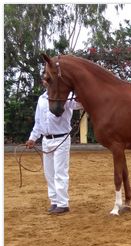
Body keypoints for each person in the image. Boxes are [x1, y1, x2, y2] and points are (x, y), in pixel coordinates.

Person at [25, 79, 83, 214]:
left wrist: (80, 91)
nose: (46, 81)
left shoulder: (66, 97)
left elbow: (79, 104)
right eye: (45, 78)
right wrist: (32, 138)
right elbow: (38, 122)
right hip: (46, 140)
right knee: (49, 173)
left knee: (60, 172)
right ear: (43, 82)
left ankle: (63, 203)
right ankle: (54, 201)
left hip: (61, 138)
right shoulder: (41, 99)